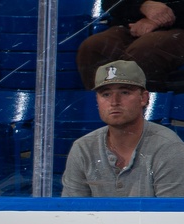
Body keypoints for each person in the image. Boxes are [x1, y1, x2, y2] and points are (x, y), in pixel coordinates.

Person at [62, 60, 184, 197]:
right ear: (97, 100)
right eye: (106, 94)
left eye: (125, 92)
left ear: (144, 98)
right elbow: (71, 214)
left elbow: (170, 214)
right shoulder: (83, 148)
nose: (114, 102)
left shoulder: (168, 147)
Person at [76, 1, 184, 92]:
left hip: (178, 27)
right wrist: (142, 5)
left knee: (143, 51)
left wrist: (157, 20)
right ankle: (103, 109)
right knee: (93, 47)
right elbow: (109, 2)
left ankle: (141, 111)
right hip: (131, 25)